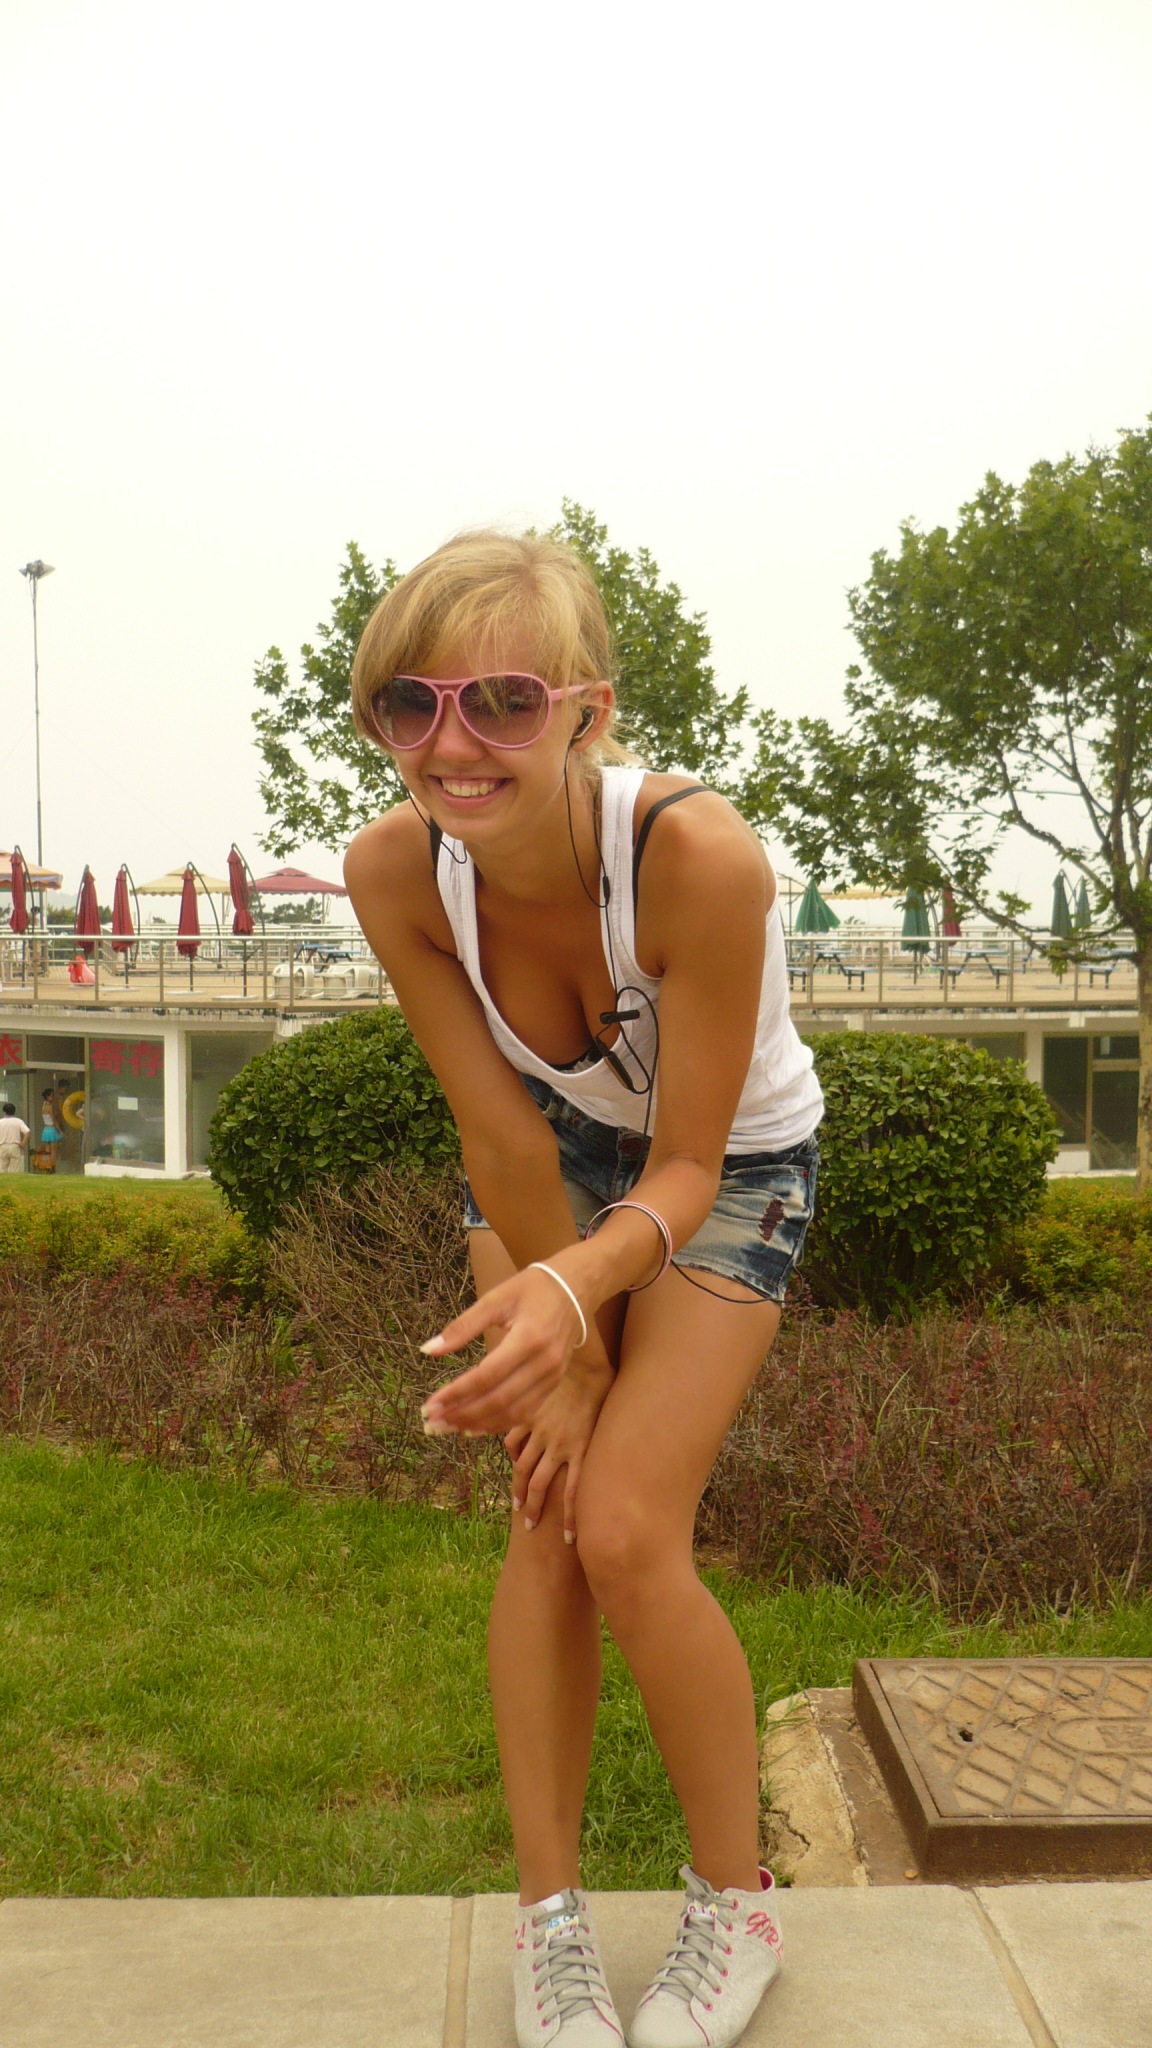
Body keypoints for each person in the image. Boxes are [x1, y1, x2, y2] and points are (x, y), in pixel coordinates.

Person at [343, 532, 823, 2048]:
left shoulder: (698, 859)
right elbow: (498, 1131)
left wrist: (584, 1309)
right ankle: (549, 1930)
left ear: (587, 713)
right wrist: (574, 1352)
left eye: (502, 700)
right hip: (551, 1155)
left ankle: (737, 1906)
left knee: (625, 1525)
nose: (453, 744)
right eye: (409, 705)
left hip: (725, 1163)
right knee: (548, 1511)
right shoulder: (392, 871)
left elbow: (686, 1163)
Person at [0, 1101, 29, 1173]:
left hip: (3, 1146)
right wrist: (23, 1143)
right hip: (15, 1146)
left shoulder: (1, 1122)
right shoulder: (18, 1121)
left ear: (4, 1112)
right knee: (14, 1170)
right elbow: (27, 1132)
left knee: (2, 1169)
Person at [40, 1086, 62, 1168]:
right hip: (52, 1129)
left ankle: (46, 1164)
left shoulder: (43, 1106)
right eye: (52, 1095)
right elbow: (54, 1120)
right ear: (48, 1096)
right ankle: (52, 1165)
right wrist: (59, 1130)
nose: (53, 1097)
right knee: (53, 1150)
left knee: (47, 1149)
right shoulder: (49, 1107)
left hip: (46, 1129)